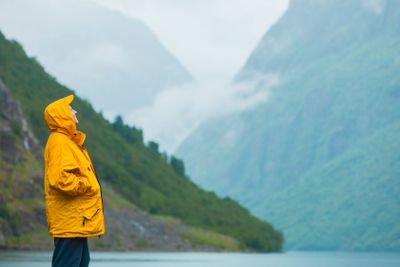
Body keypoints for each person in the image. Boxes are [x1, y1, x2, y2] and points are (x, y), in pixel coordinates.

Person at [43, 94, 105, 267]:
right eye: (70, 108)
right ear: (61, 114)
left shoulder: (67, 142)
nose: (74, 110)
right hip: (70, 221)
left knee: (80, 263)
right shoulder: (60, 142)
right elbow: (60, 179)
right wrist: (86, 185)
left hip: (76, 220)